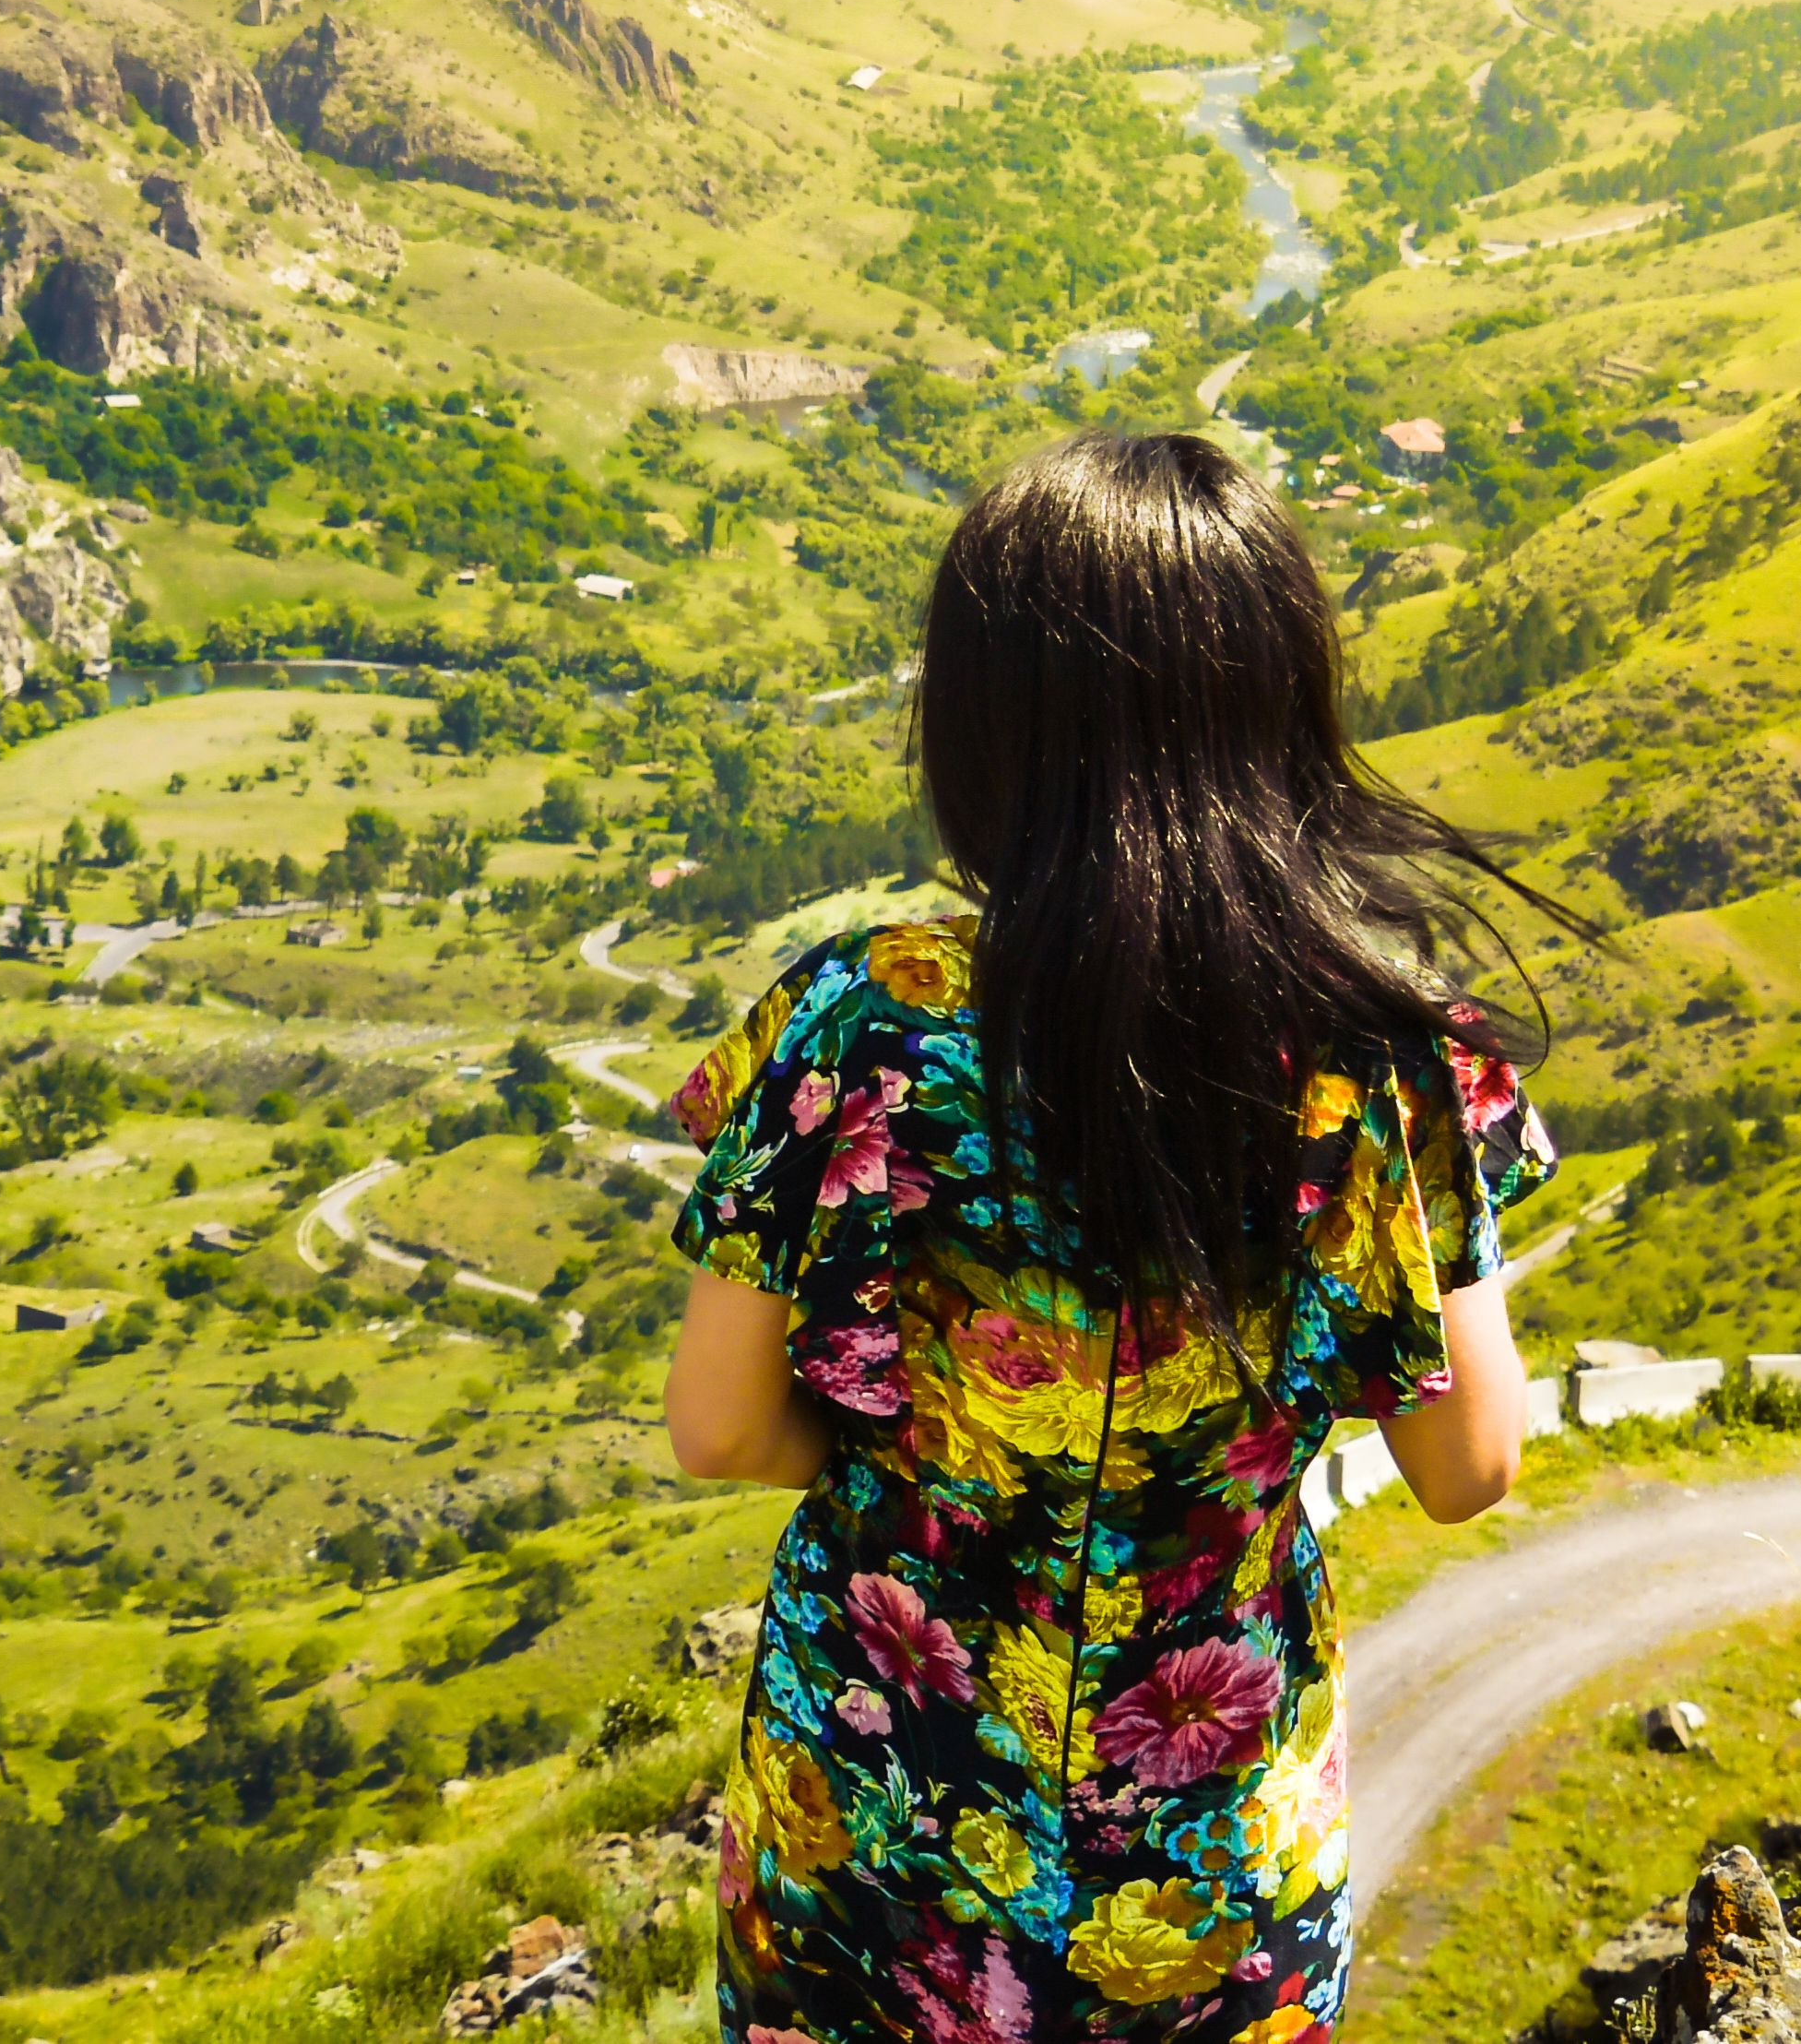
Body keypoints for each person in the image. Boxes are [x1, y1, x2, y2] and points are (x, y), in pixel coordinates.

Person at [658, 432, 1570, 2043]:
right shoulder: (1379, 1057)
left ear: (982, 731)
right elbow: (1466, 1463)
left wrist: (920, 1441)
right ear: (1278, 709)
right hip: (1208, 1856)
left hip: (876, 1829)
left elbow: (720, 1426)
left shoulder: (856, 1022)